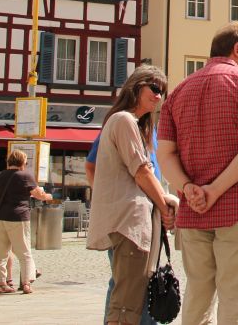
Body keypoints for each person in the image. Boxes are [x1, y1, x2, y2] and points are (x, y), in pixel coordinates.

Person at [157, 23, 238, 325]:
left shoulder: (178, 91)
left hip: (193, 209)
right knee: (236, 299)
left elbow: (165, 154)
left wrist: (188, 188)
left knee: (198, 294)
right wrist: (216, 190)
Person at [87, 65, 177, 324]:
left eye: (163, 92)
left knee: (131, 297)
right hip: (128, 222)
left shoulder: (139, 126)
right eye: (155, 88)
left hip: (135, 221)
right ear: (137, 87)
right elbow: (141, 171)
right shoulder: (124, 120)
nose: (159, 96)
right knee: (126, 302)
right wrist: (163, 205)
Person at [0, 149, 53, 294]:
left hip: (0, 217)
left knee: (0, 252)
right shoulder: (25, 176)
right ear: (22, 162)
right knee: (24, 252)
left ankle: (1, 283)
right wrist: (49, 196)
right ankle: (26, 283)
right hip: (19, 218)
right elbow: (39, 195)